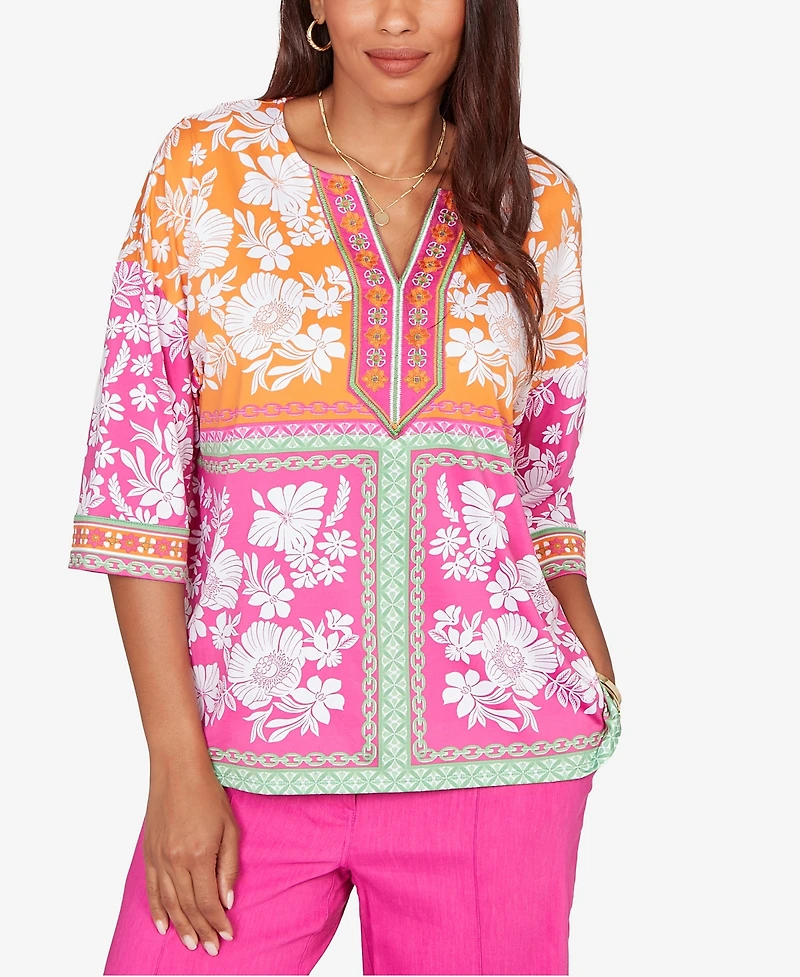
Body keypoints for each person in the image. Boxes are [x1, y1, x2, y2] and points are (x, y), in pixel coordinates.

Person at [67, 1, 622, 973]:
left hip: (500, 758)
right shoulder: (208, 167)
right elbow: (135, 476)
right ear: (314, 3)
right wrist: (176, 761)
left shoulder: (535, 200)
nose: (396, 17)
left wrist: (594, 676)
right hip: (246, 757)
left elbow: (541, 480)